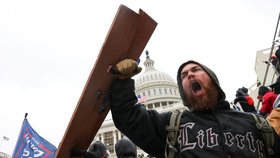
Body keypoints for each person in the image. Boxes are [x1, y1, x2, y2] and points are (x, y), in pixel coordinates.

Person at [110, 59, 280, 158]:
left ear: (212, 79)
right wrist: (123, 82)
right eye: (184, 75)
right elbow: (128, 116)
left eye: (196, 70)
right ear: (182, 93)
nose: (190, 74)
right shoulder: (172, 127)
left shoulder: (257, 124)